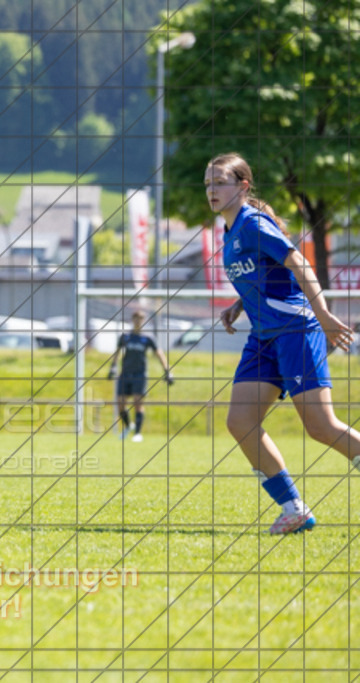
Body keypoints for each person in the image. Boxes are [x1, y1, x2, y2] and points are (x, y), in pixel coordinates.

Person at [207, 153, 360, 534]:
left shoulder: (253, 224)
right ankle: (294, 508)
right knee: (240, 422)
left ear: (243, 186)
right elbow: (265, 273)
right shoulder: (231, 231)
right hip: (263, 338)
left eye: (220, 182)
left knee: (322, 427)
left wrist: (323, 315)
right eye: (208, 183)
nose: (211, 190)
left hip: (295, 330)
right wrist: (240, 304)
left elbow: (298, 264)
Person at [107, 310, 173, 442]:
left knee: (138, 402)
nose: (138, 321)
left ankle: (137, 433)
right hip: (125, 374)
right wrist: (113, 367)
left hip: (140, 374)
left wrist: (167, 371)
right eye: (136, 318)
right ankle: (128, 426)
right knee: (120, 403)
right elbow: (118, 352)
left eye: (141, 319)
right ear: (132, 320)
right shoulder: (125, 337)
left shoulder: (148, 338)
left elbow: (159, 354)